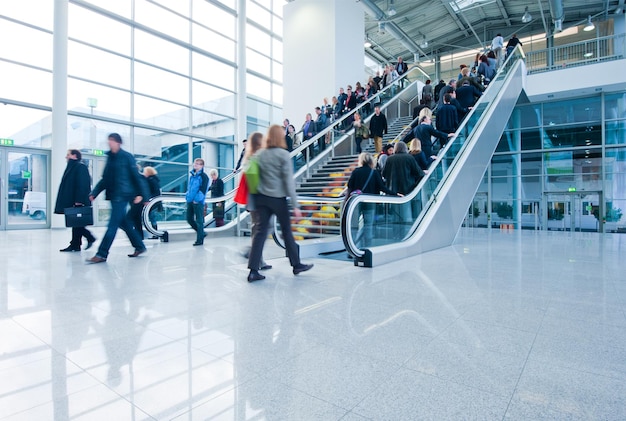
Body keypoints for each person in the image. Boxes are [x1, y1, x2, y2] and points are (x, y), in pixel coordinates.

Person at [247, 125, 313, 282]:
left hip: (261, 198)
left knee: (260, 233)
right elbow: (288, 182)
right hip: (278, 198)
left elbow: (253, 175)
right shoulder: (283, 154)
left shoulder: (259, 154)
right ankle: (296, 264)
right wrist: (296, 205)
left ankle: (253, 271)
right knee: (286, 231)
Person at [87, 133, 149, 263]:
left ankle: (102, 254)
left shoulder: (126, 157)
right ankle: (140, 246)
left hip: (123, 195)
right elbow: (105, 179)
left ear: (118, 142)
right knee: (123, 223)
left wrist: (144, 195)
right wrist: (94, 192)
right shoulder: (110, 157)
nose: (109, 143)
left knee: (112, 225)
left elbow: (136, 177)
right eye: (109, 140)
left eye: (112, 140)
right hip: (113, 194)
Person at [346, 152, 398, 247]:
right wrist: (395, 194)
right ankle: (367, 247)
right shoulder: (374, 172)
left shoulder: (356, 171)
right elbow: (382, 187)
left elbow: (349, 187)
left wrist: (346, 201)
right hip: (370, 201)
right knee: (368, 226)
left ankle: (352, 247)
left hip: (355, 202)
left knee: (353, 226)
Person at [55, 149, 96, 252]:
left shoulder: (80, 167)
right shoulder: (73, 167)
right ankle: (75, 244)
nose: (66, 157)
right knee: (76, 223)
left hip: (78, 200)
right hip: (72, 199)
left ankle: (89, 238)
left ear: (74, 156)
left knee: (77, 222)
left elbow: (82, 185)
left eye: (68, 155)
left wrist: (79, 200)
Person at [241, 132, 271, 271]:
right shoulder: (256, 159)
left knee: (258, 230)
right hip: (259, 201)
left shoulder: (250, 158)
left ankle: (257, 258)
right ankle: (253, 255)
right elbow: (257, 183)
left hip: (253, 202)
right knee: (261, 230)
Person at [382, 141, 424, 225]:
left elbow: (384, 174)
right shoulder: (409, 157)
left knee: (396, 215)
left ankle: (395, 234)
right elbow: (419, 173)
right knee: (407, 213)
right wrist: (415, 185)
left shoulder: (389, 159)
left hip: (393, 190)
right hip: (408, 189)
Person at [186, 158, 210, 246]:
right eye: (195, 163)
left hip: (198, 202)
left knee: (199, 221)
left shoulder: (204, 176)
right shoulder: (192, 176)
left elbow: (203, 190)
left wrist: (197, 199)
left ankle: (199, 240)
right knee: (189, 219)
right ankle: (202, 233)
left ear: (202, 166)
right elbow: (189, 188)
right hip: (190, 200)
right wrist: (188, 197)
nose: (196, 165)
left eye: (198, 164)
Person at [127, 164, 150, 240]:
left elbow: (144, 188)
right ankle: (139, 236)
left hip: (139, 201)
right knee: (136, 219)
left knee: (128, 218)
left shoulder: (140, 177)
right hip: (134, 200)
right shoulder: (132, 178)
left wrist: (145, 199)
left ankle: (133, 235)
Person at [143, 166, 161, 238]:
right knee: (151, 217)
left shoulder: (152, 180)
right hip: (153, 202)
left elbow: (156, 191)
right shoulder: (153, 180)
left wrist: (149, 198)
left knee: (152, 217)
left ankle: (155, 234)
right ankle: (154, 233)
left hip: (153, 202)